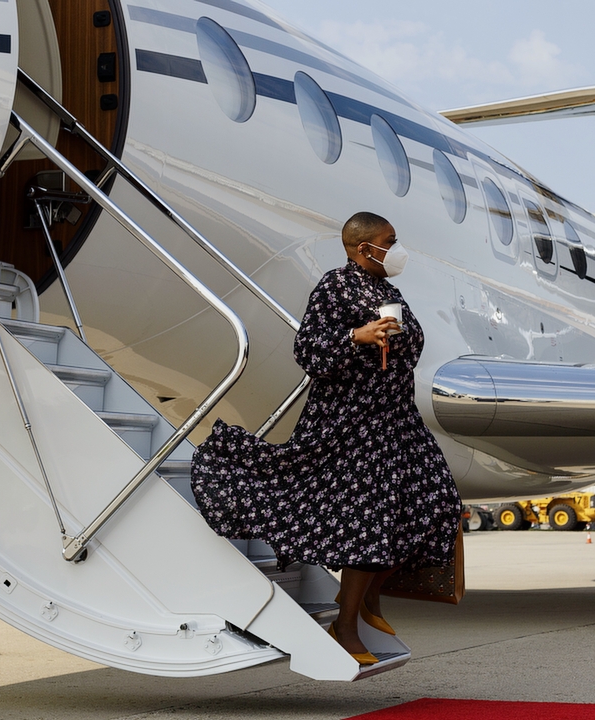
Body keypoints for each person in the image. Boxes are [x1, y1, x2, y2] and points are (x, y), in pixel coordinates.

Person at [190, 211, 462, 665]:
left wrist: (390, 341)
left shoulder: (388, 290)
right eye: (389, 241)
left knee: (438, 504)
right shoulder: (336, 286)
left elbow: (404, 349)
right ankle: (346, 623)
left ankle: (371, 595)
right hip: (351, 423)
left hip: (395, 419)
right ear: (362, 248)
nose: (397, 249)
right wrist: (358, 335)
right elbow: (308, 351)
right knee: (369, 524)